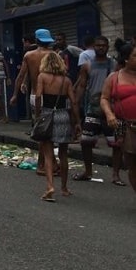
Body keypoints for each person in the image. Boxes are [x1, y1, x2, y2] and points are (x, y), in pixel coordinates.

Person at [72, 36, 124, 185]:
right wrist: (76, 103)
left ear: (108, 47)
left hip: (112, 111)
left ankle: (115, 174)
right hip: (93, 109)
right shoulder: (87, 65)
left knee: (116, 144)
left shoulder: (114, 65)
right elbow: (82, 86)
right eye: (98, 45)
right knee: (85, 142)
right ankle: (87, 171)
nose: (101, 48)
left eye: (104, 45)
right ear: (93, 47)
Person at [34, 51, 80, 202]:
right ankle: (64, 188)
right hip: (63, 116)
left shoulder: (42, 77)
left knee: (48, 155)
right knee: (63, 154)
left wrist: (38, 114)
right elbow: (73, 102)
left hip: (47, 115)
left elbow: (39, 96)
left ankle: (50, 186)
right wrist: (77, 121)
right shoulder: (66, 80)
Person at [11, 29, 58, 176]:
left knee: (41, 130)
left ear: (36, 41)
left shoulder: (29, 56)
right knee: (48, 132)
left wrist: (14, 95)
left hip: (34, 97)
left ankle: (46, 164)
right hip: (51, 96)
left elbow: (20, 76)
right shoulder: (53, 55)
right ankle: (44, 164)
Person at [101, 41, 136, 194]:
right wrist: (109, 114)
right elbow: (104, 98)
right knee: (132, 164)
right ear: (126, 59)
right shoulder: (114, 77)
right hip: (126, 126)